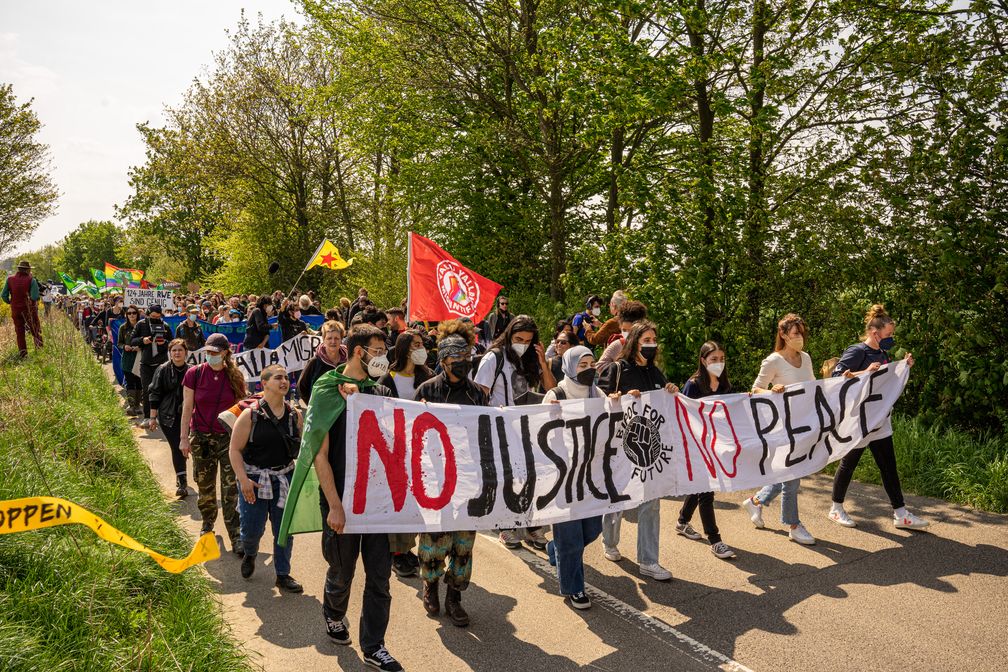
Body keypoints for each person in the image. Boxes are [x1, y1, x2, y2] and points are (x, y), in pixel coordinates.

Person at [313, 324, 403, 671]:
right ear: (357, 351)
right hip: (343, 503)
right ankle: (334, 614)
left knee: (380, 577)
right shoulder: (327, 391)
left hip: (377, 503)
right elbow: (319, 454)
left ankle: (374, 645)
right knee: (342, 570)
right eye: (378, 351)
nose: (383, 358)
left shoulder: (379, 390)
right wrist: (334, 505)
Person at [413, 320, 489, 626]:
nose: (463, 363)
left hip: (467, 481)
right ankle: (430, 585)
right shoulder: (425, 391)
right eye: (457, 358)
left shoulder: (477, 395)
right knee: (434, 540)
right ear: (443, 360)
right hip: (434, 481)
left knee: (463, 544)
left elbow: (488, 436)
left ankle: (455, 596)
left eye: (467, 356)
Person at [829, 304, 929, 530]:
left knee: (888, 466)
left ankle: (900, 514)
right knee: (849, 464)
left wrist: (904, 367)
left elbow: (884, 382)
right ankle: (836, 508)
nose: (891, 338)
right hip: (860, 421)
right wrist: (865, 372)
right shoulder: (857, 351)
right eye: (889, 334)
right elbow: (837, 377)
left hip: (880, 419)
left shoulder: (882, 353)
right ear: (875, 333)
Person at [601, 320, 678, 581]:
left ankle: (648, 560)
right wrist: (621, 398)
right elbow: (601, 403)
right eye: (645, 340)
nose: (650, 344)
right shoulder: (618, 369)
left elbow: (665, 408)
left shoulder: (656, 373)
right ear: (634, 341)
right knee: (619, 500)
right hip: (623, 448)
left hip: (649, 451)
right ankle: (609, 541)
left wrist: (671, 391)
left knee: (651, 503)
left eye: (653, 340)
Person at [474, 314, 556, 550]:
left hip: (527, 427)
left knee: (531, 476)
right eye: (518, 338)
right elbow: (481, 394)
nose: (523, 344)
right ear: (508, 335)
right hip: (501, 428)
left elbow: (552, 390)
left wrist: (542, 364)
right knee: (506, 478)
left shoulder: (529, 360)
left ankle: (531, 526)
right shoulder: (494, 358)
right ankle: (506, 526)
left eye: (528, 340)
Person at [228, 364, 304, 593]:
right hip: (254, 480)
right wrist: (243, 480)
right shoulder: (249, 416)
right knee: (251, 530)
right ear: (264, 384)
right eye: (278, 378)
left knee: (284, 531)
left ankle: (282, 574)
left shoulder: (294, 415)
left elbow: (300, 448)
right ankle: (250, 553)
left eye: (286, 378)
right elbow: (234, 450)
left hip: (284, 478)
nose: (284, 382)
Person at [742, 313, 817, 545]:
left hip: (804, 424)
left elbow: (814, 387)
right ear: (783, 335)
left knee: (791, 472)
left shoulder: (806, 357)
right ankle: (793, 525)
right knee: (792, 476)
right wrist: (772, 391)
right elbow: (755, 390)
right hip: (782, 427)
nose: (800, 337)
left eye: (801, 333)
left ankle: (756, 501)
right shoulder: (773, 360)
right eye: (795, 334)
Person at [542, 345, 606, 609]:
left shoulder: (597, 393)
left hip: (590, 478)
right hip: (563, 480)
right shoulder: (555, 394)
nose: (589, 369)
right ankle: (574, 588)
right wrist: (550, 413)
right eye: (582, 365)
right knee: (571, 539)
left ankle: (553, 548)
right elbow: (539, 432)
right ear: (569, 367)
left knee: (592, 529)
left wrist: (623, 400)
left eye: (591, 364)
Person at [180, 333, 247, 553]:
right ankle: (207, 522)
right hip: (201, 438)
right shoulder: (194, 374)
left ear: (225, 353)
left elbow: (242, 409)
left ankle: (235, 534)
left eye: (215, 353)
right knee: (205, 485)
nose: (210, 356)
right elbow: (187, 407)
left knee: (231, 489)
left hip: (228, 440)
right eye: (208, 352)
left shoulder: (235, 376)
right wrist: (183, 439)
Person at [378, 330, 433, 578]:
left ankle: (413, 548)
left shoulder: (428, 377)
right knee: (399, 500)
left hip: (423, 452)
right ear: (404, 350)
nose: (422, 349)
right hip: (396, 451)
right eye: (417, 345)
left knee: (419, 502)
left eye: (422, 344)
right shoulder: (386, 380)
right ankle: (398, 553)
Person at [676, 341, 737, 559]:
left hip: (715, 443)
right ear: (703, 361)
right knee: (707, 490)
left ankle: (683, 521)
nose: (718, 363)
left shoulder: (724, 385)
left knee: (700, 485)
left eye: (721, 359)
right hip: (696, 444)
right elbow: (681, 413)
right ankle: (715, 540)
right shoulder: (693, 385)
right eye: (713, 359)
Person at [148, 339, 191, 498]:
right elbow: (155, 393)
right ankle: (182, 481)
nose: (177, 353)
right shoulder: (163, 369)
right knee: (177, 447)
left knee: (187, 446)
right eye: (174, 350)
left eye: (180, 350)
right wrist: (152, 417)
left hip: (189, 415)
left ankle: (185, 475)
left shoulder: (193, 370)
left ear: (186, 352)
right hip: (168, 416)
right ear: (170, 353)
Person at [131, 304, 174, 425]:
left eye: (157, 316)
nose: (155, 318)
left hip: (161, 364)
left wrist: (164, 343)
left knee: (162, 390)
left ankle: (160, 415)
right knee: (147, 390)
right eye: (152, 316)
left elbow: (172, 343)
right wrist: (142, 340)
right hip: (146, 363)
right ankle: (147, 416)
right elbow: (132, 340)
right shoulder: (141, 324)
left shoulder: (165, 326)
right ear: (148, 314)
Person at [1, 260, 44, 357]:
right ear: (27, 270)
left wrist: (11, 302)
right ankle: (40, 351)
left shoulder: (9, 279)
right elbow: (34, 296)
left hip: (16, 310)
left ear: (19, 269)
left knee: (19, 332)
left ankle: (23, 354)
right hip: (29, 309)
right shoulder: (31, 280)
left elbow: (3, 295)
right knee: (35, 329)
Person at [297, 320, 346, 403]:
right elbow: (302, 386)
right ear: (323, 339)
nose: (333, 342)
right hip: (320, 412)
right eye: (329, 338)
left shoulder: (348, 361)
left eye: (337, 338)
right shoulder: (315, 362)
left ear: (341, 339)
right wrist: (313, 405)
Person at [597, 300, 649, 371]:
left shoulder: (649, 345)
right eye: (624, 330)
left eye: (631, 331)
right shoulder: (617, 345)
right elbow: (599, 367)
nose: (627, 334)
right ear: (620, 327)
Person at [117, 305, 143, 416]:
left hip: (139, 358)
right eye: (129, 313)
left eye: (134, 313)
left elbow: (147, 342)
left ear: (137, 314)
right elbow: (119, 343)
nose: (132, 315)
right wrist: (125, 347)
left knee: (139, 382)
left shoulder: (143, 327)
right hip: (127, 359)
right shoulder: (123, 327)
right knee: (130, 382)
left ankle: (138, 406)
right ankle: (131, 406)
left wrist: (140, 347)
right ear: (126, 315)